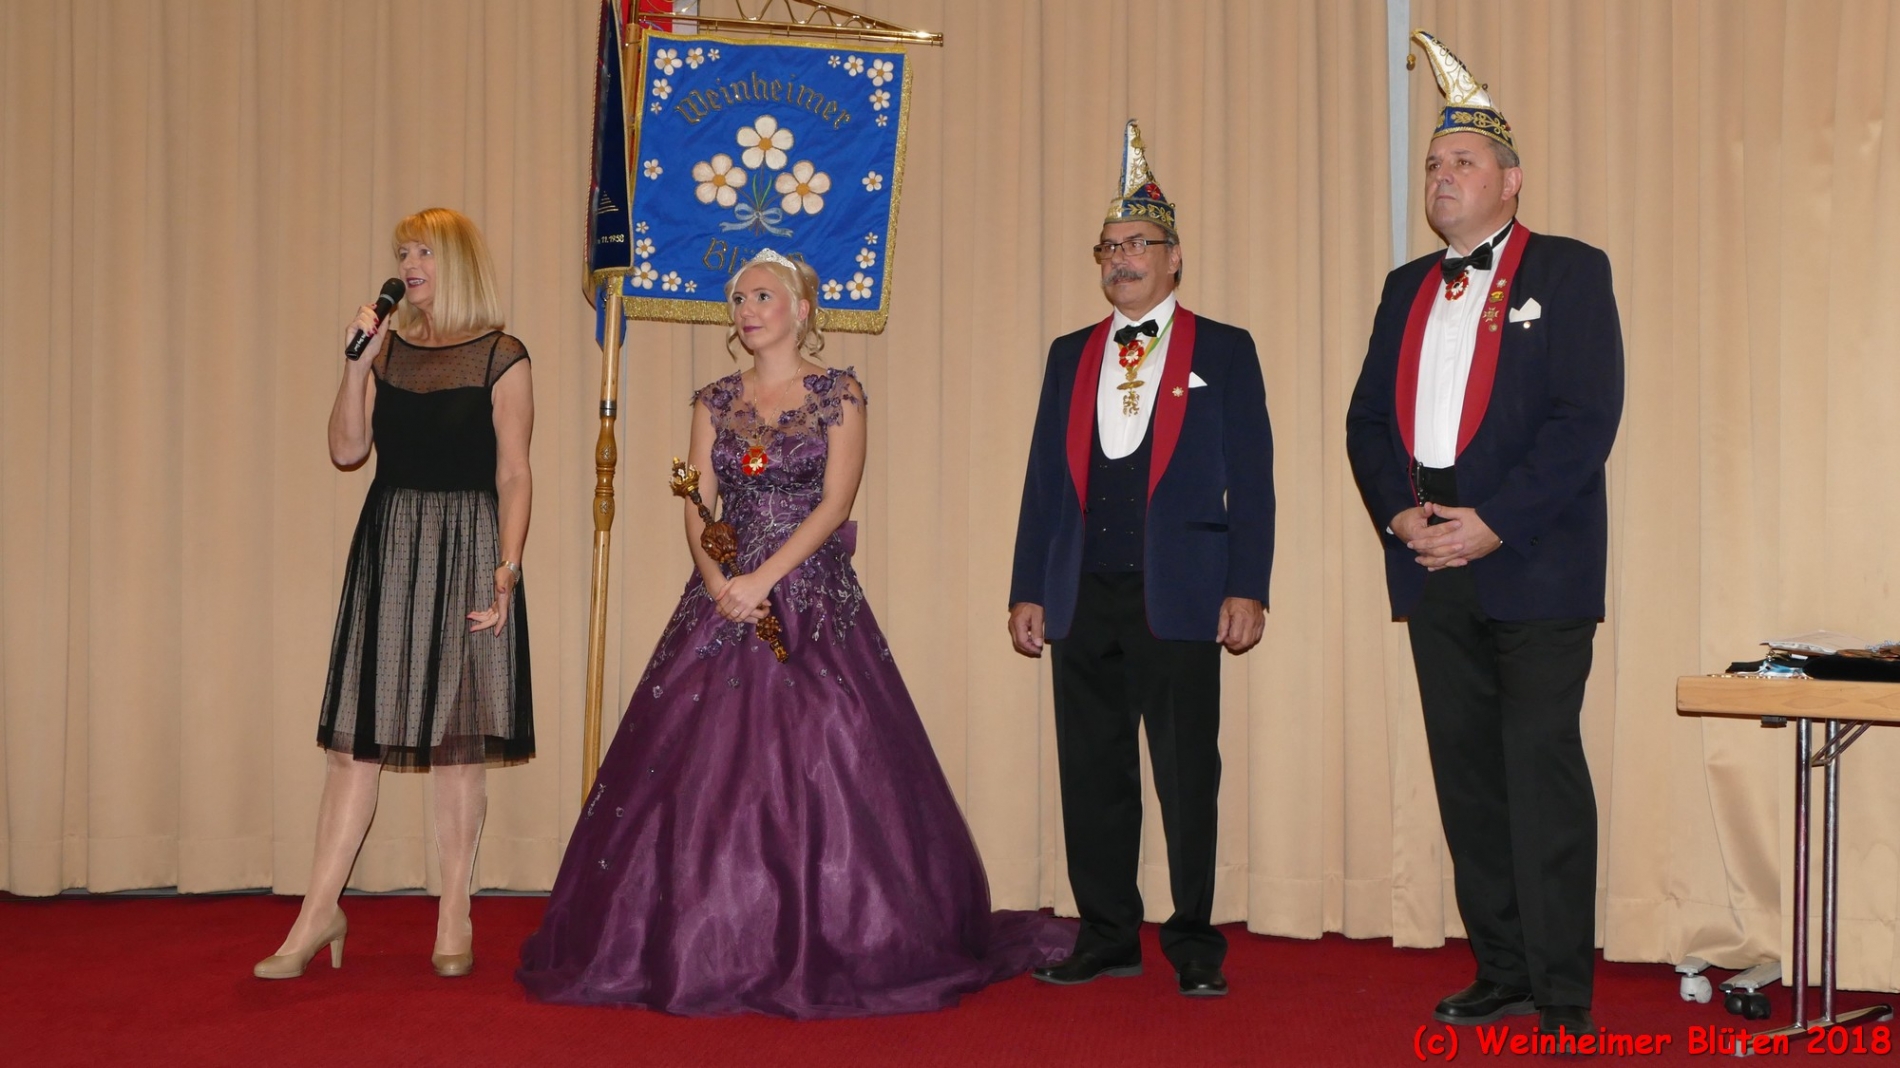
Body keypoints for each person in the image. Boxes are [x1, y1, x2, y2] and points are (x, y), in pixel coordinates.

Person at [517, 250, 1071, 1018]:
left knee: (832, 755)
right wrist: (719, 582)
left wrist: (764, 579)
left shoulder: (838, 393)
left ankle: (842, 938)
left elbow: (836, 503)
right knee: (696, 773)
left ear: (801, 308)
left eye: (762, 296)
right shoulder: (715, 399)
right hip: (723, 599)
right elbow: (697, 503)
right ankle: (698, 942)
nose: (746, 309)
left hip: (809, 596)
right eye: (739, 298)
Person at [1345, 33, 1625, 1040]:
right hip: (1430, 556)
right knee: (1466, 777)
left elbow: (1585, 418)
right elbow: (1366, 422)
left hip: (1534, 558)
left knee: (1540, 772)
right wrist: (1399, 514)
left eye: (1462, 161)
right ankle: (1500, 968)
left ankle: (1562, 989)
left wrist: (1495, 523)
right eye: (1432, 163)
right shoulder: (1403, 286)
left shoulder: (1571, 270)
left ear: (1510, 180)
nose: (1441, 176)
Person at [1007, 121, 1274, 998]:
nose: (1121, 259)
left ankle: (1194, 942)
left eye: (1137, 244)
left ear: (1174, 257)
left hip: (1184, 595)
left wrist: (1247, 585)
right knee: (1092, 774)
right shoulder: (1068, 355)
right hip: (1081, 593)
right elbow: (1044, 481)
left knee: (1188, 775)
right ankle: (1108, 934)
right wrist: (1027, 588)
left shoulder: (1225, 349)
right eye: (1109, 247)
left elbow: (1254, 482)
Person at [252, 207, 535, 981]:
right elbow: (347, 450)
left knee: (457, 748)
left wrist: (508, 566)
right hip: (392, 547)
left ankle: (455, 911)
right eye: (404, 252)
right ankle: (317, 913)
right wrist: (356, 365)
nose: (409, 265)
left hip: (471, 549)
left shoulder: (502, 355)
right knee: (355, 747)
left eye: (424, 252)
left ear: (457, 263)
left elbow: (515, 471)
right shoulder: (388, 352)